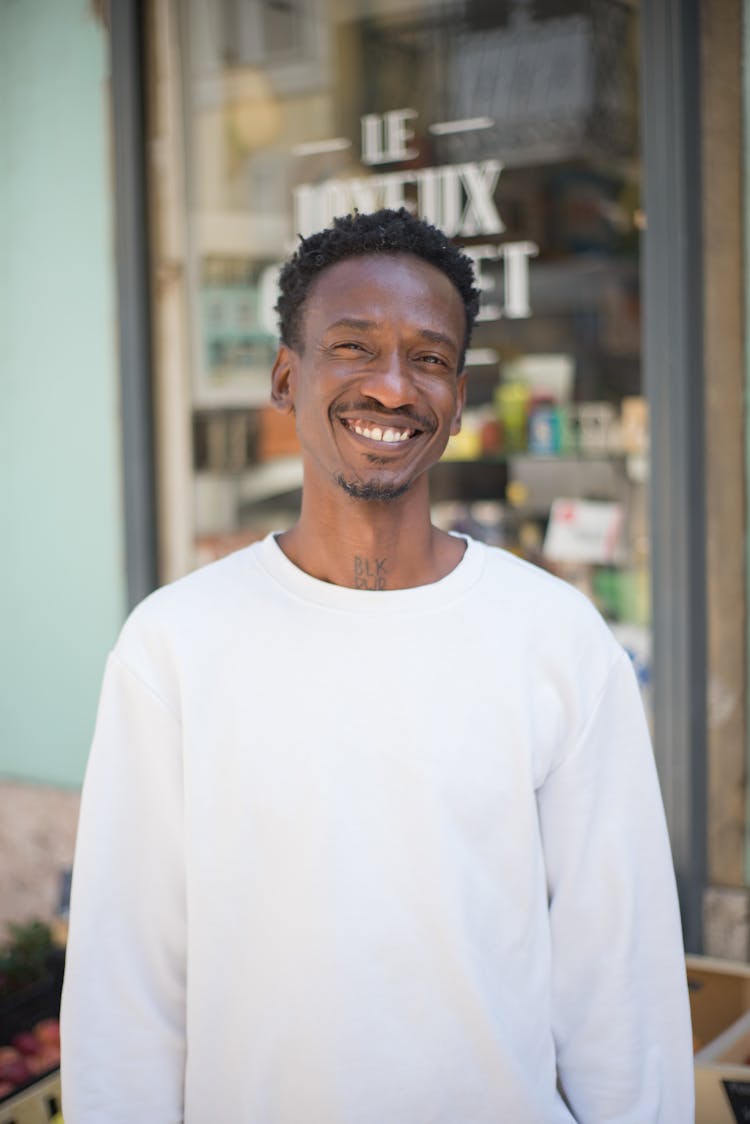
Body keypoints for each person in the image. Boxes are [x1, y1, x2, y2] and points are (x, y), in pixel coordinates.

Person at [60, 207, 694, 1123]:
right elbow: (128, 995)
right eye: (354, 348)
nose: (393, 387)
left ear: (460, 396)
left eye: (429, 358)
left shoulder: (554, 638)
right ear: (287, 376)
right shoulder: (176, 648)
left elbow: (621, 985)